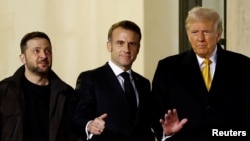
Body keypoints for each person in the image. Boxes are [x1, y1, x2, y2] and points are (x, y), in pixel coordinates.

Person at [152, 6, 250, 141]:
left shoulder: (243, 66)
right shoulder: (168, 68)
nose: (200, 38)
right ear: (188, 34)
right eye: (194, 32)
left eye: (206, 32)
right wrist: (168, 134)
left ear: (218, 34)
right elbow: (157, 113)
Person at [71, 20, 162, 141]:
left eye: (132, 44)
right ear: (109, 46)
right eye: (120, 43)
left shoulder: (143, 83)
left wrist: (166, 132)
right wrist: (90, 125)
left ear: (138, 48)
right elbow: (77, 117)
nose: (126, 49)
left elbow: (147, 124)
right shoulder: (91, 79)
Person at [0, 31, 78, 141]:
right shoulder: (4, 91)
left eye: (48, 51)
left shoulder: (66, 94)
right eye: (36, 51)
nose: (44, 56)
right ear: (23, 58)